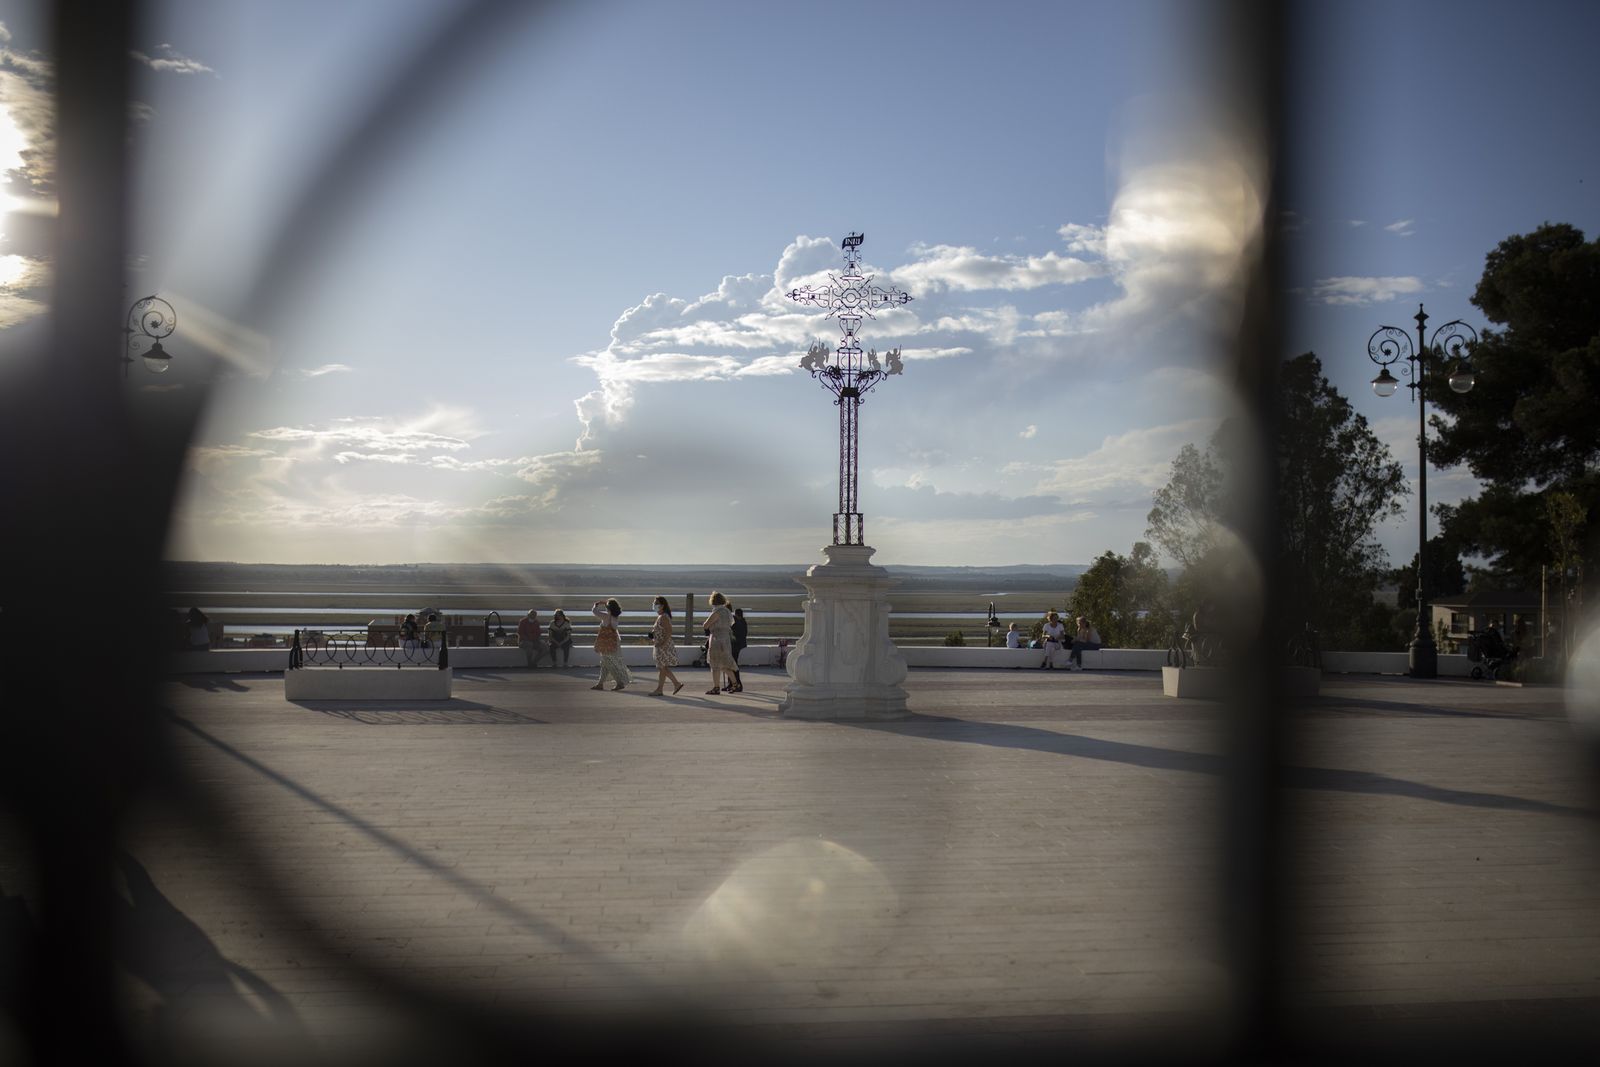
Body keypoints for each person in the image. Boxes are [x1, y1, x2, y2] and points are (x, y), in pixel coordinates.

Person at [647, 596, 685, 696]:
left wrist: (662, 643)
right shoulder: (661, 616)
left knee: (662, 668)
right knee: (662, 668)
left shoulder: (663, 616)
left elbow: (669, 631)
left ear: (662, 605)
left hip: (663, 645)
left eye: (656, 603)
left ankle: (665, 687)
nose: (654, 605)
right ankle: (674, 684)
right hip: (660, 644)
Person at [702, 591, 739, 694]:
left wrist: (706, 624)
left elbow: (706, 625)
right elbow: (731, 624)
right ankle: (736, 684)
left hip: (716, 640)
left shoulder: (716, 612)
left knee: (715, 665)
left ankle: (716, 687)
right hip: (726, 640)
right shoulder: (727, 612)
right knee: (725, 664)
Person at [590, 599, 629, 691]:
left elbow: (594, 611)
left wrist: (597, 604)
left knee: (608, 663)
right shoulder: (615, 617)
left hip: (606, 643)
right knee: (605, 663)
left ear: (608, 608)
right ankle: (600, 684)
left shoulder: (606, 617)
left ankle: (619, 682)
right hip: (614, 643)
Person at [728, 606, 749, 693]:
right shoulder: (743, 622)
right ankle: (731, 684)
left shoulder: (737, 622)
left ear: (736, 614)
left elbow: (733, 632)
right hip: (739, 645)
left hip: (735, 646)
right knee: (732, 664)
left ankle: (736, 684)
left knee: (733, 665)